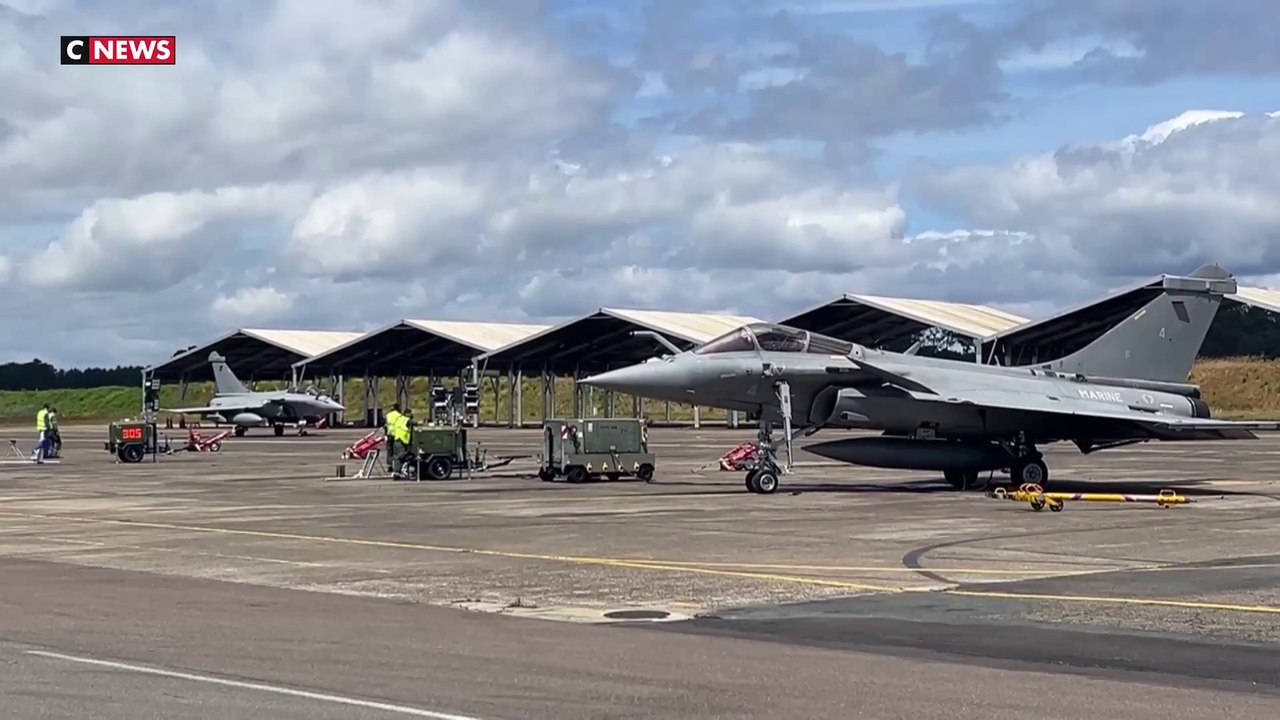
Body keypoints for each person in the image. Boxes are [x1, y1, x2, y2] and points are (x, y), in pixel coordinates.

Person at [383, 404, 403, 472]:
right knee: (397, 451)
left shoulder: (388, 415)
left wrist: (385, 435)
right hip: (397, 435)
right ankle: (397, 466)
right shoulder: (399, 415)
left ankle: (390, 465)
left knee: (389, 451)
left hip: (389, 434)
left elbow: (385, 426)